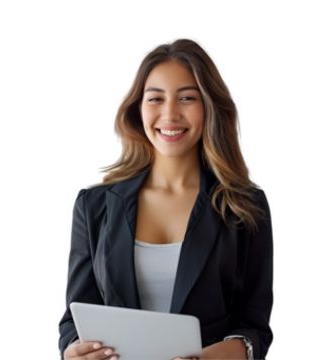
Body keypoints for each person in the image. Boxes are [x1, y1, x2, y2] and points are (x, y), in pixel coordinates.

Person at [59, 35, 272, 360]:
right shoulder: (93, 204)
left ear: (208, 106)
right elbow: (73, 321)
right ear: (138, 108)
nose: (170, 114)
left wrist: (206, 359)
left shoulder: (245, 206)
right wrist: (72, 351)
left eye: (187, 98)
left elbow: (256, 327)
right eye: (156, 98)